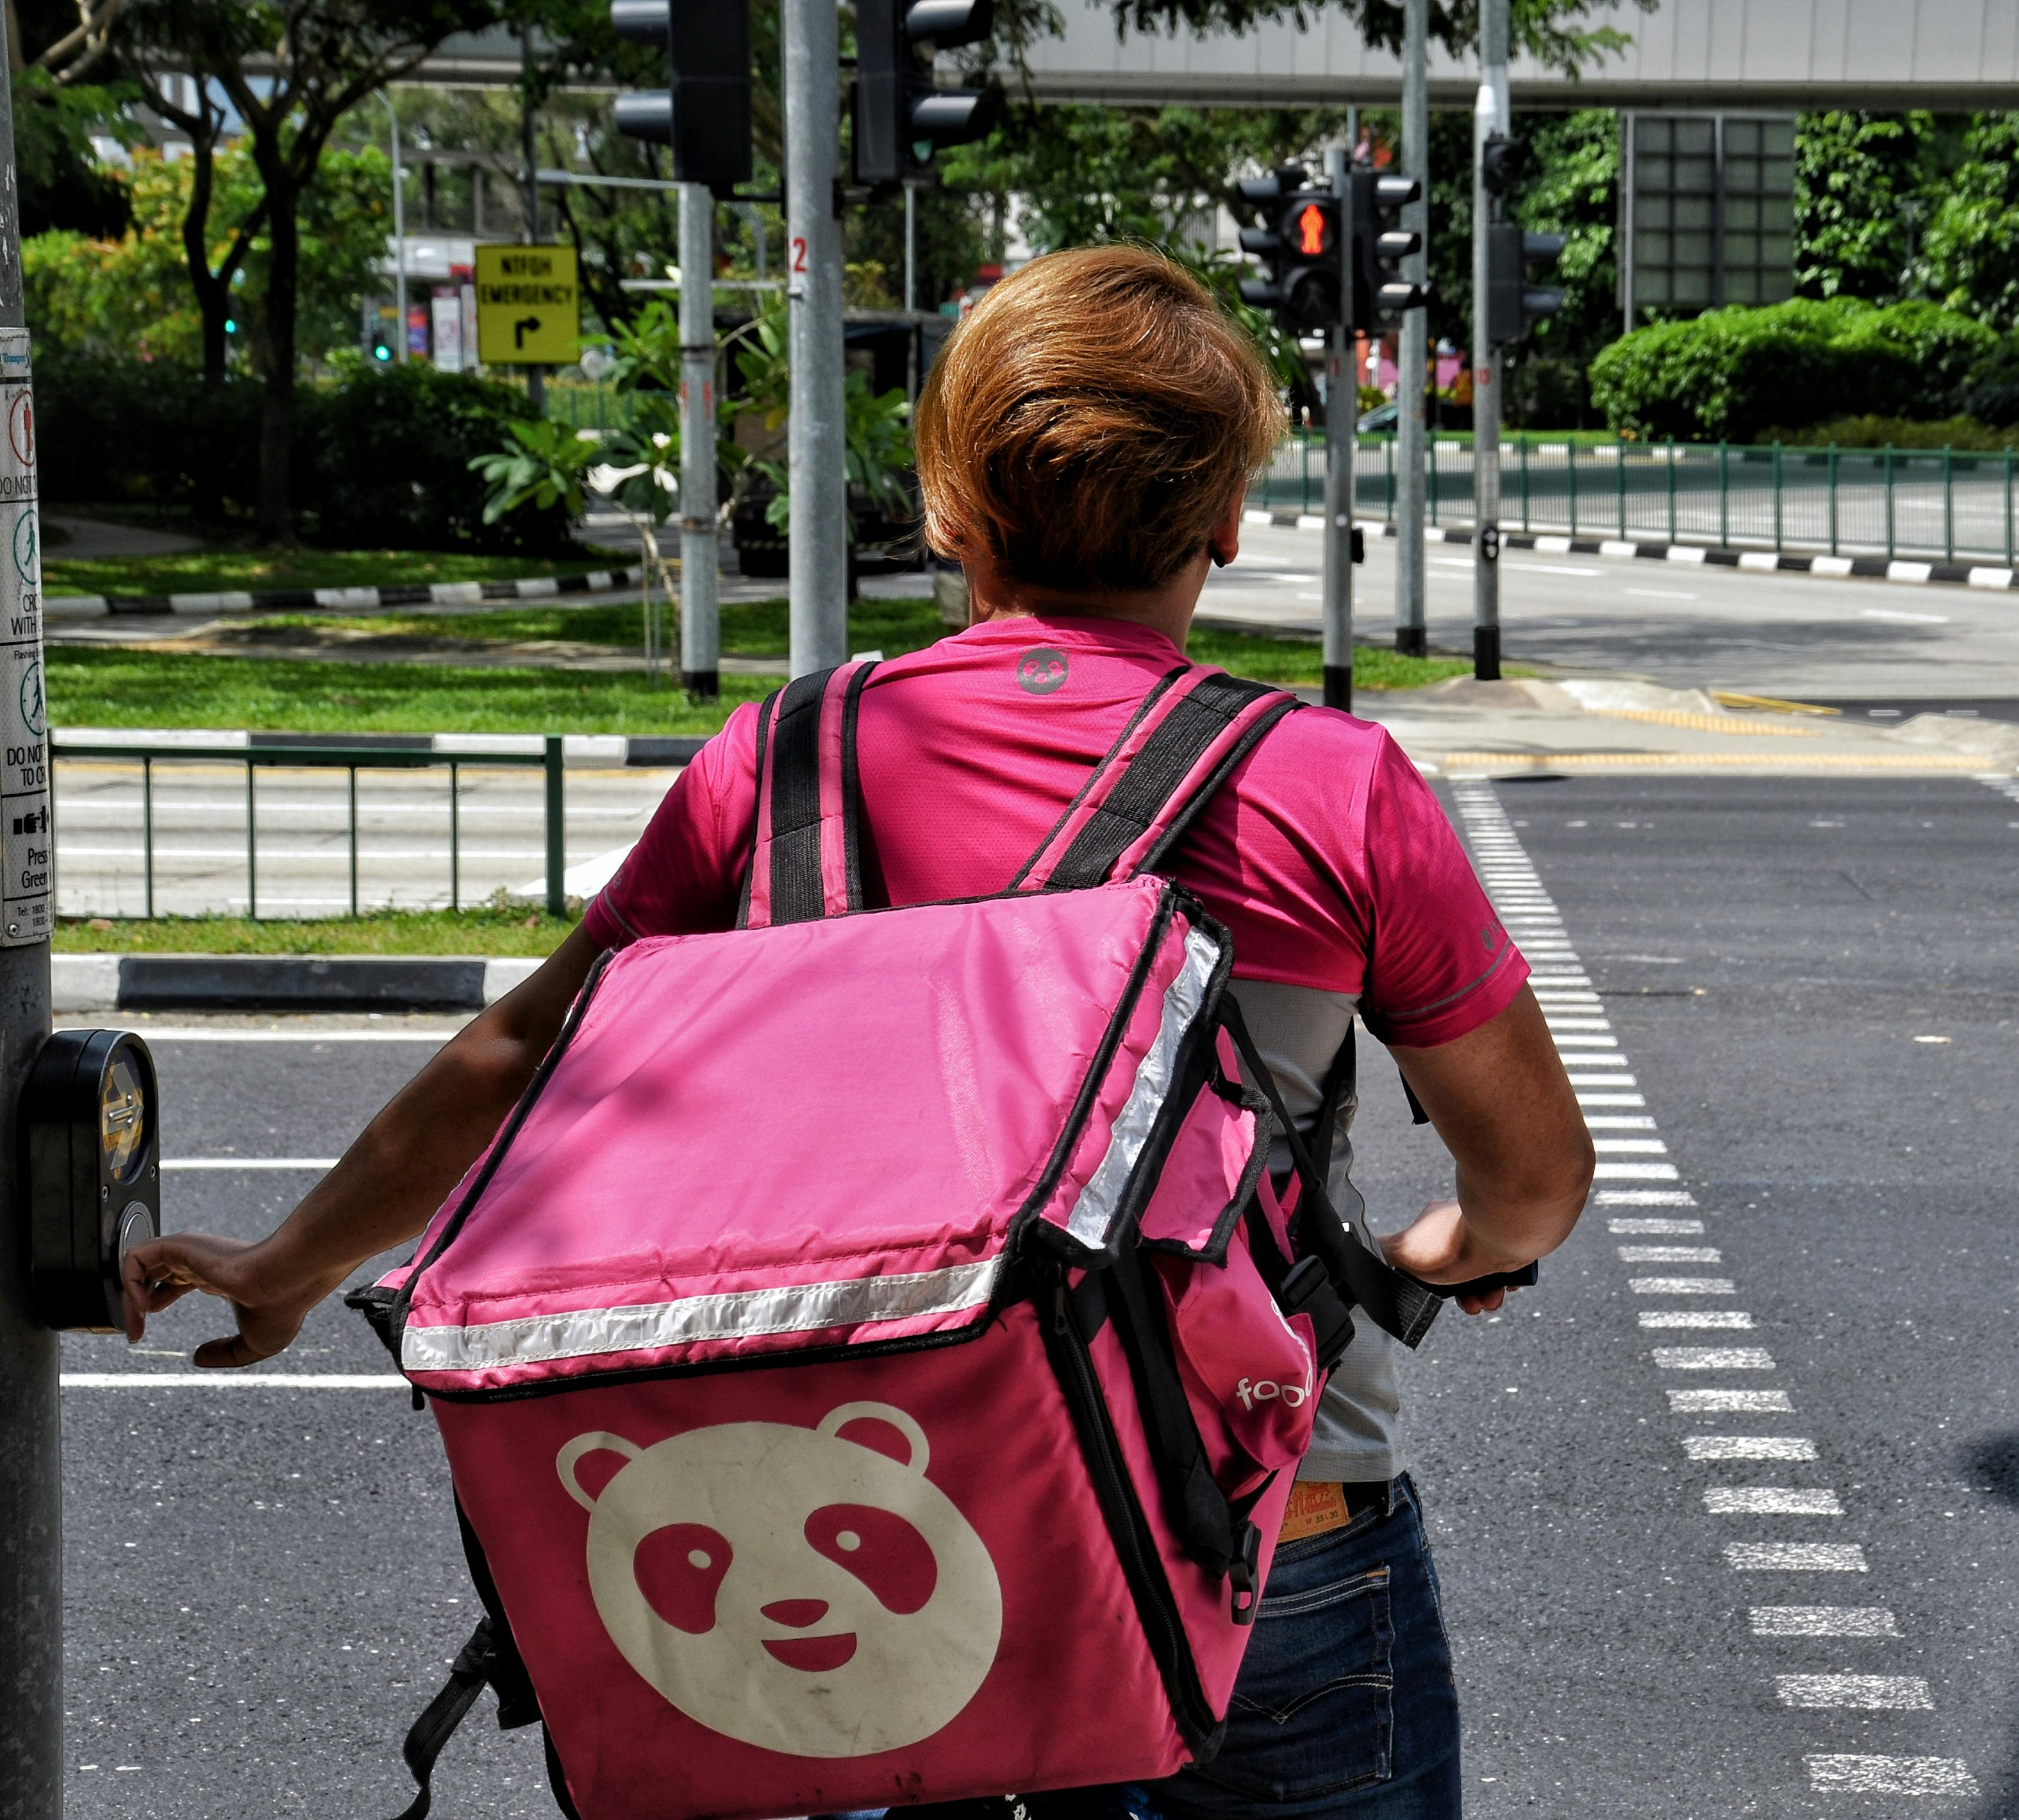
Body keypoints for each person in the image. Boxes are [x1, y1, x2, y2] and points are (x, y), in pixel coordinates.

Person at [120, 243, 1595, 1820]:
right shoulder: (1325, 785)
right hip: (1258, 1546)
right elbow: (1530, 1181)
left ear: (948, 511)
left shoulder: (784, 770)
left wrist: (289, 1264)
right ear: (1228, 523)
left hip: (899, 1530)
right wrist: (1437, 1261)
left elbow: (516, 1060)